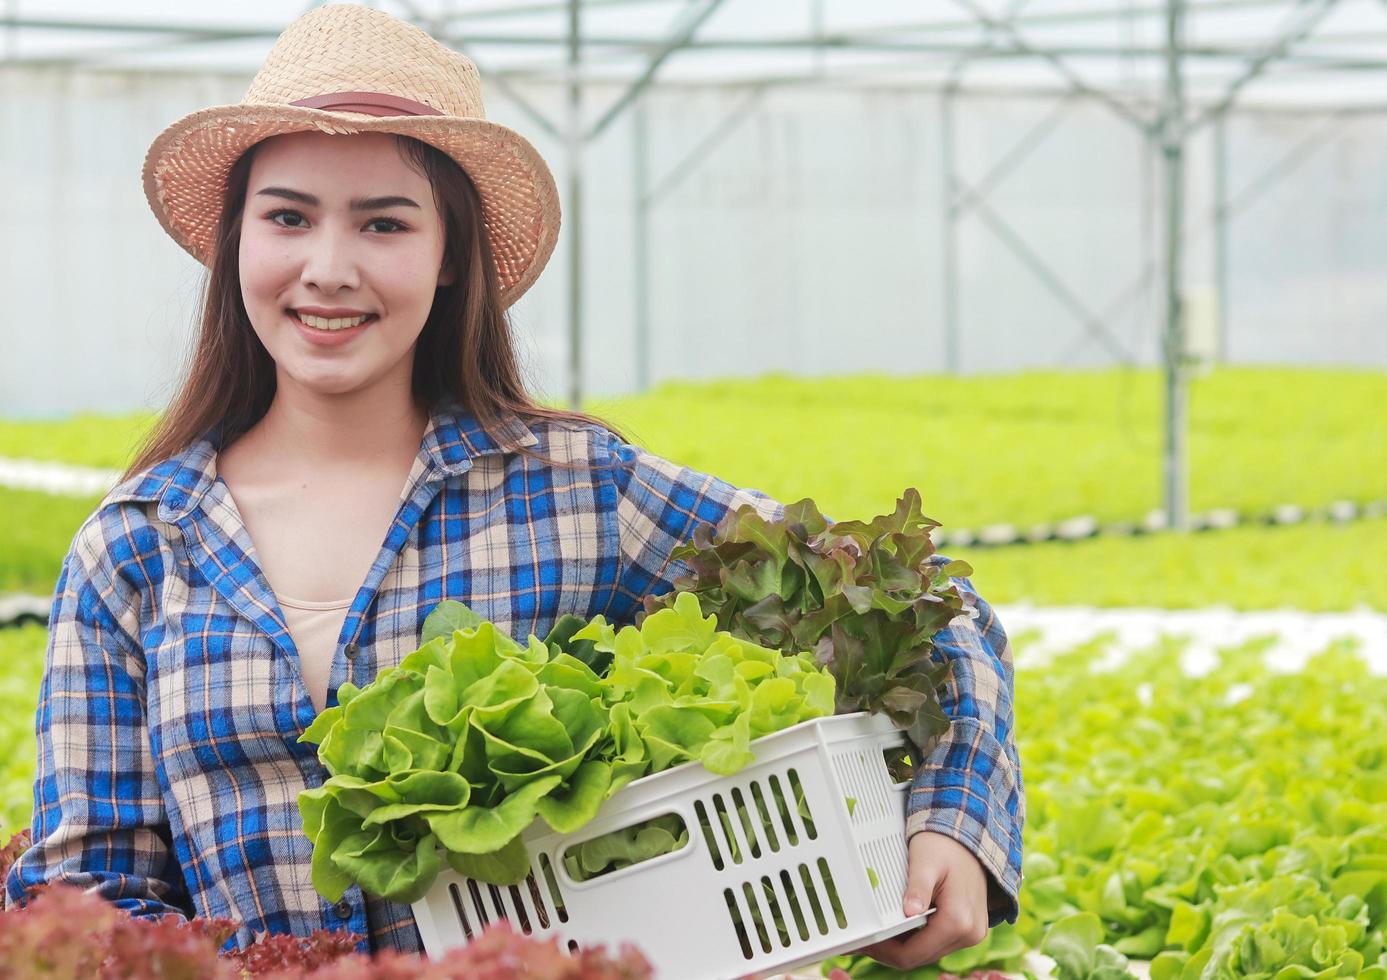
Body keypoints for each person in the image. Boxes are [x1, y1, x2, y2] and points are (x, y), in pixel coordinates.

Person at [4, 3, 1023, 970]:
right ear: (236, 243)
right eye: (288, 216)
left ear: (451, 258)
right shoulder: (139, 547)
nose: (327, 266)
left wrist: (950, 818)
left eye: (384, 224)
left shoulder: (576, 491)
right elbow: (87, 889)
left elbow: (922, 611)